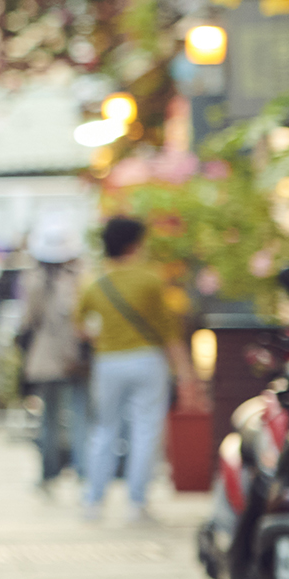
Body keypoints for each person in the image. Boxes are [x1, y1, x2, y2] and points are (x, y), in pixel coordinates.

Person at [72, 214, 206, 521]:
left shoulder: (94, 283)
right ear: (134, 245)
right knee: (145, 430)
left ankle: (93, 501)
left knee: (104, 429)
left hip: (108, 362)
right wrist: (185, 371)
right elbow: (169, 332)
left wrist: (104, 336)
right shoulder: (151, 279)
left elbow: (79, 326)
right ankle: (136, 502)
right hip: (147, 359)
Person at [16, 221, 91, 493]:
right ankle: (83, 472)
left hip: (45, 356)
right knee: (80, 416)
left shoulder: (33, 279)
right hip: (77, 355)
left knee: (48, 418)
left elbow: (28, 320)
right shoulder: (81, 277)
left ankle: (49, 473)